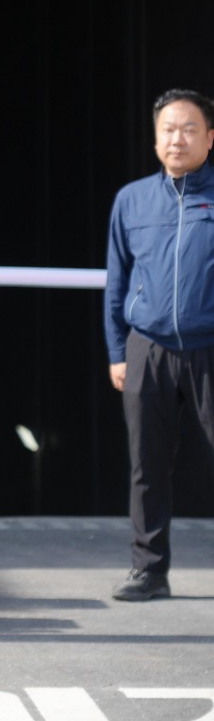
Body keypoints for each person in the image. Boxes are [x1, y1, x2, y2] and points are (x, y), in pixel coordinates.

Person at [104, 88, 214, 602]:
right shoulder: (131, 200)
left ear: (210, 138)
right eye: (168, 129)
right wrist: (117, 352)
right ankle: (149, 570)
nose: (178, 138)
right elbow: (117, 283)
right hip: (146, 348)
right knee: (147, 463)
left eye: (189, 128)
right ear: (155, 139)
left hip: (209, 346)